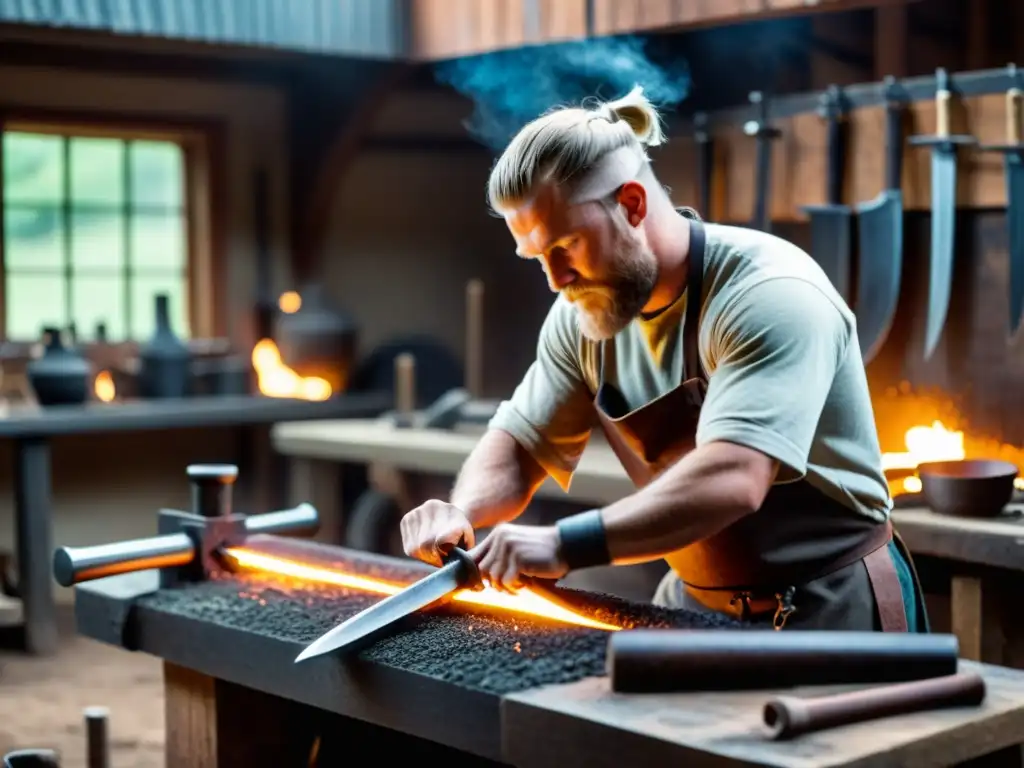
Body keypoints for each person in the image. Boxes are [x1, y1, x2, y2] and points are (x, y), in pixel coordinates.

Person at [399, 85, 927, 631]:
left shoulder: (768, 293)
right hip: (695, 606)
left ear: (631, 204)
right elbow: (521, 447)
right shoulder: (582, 312)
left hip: (831, 606)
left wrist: (564, 544)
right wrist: (461, 512)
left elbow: (734, 476)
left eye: (567, 247)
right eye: (538, 258)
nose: (556, 280)